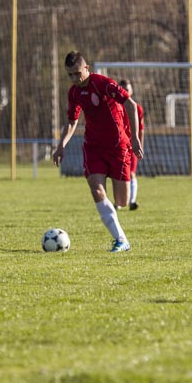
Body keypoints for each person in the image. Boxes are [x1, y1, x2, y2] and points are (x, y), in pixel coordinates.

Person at [53, 51, 143, 253]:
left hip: (118, 147)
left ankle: (116, 224)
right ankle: (121, 239)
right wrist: (61, 145)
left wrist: (135, 138)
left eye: (77, 73)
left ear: (86, 68)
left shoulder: (103, 83)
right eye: (70, 75)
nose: (74, 78)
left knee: (122, 201)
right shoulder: (74, 93)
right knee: (96, 189)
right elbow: (72, 122)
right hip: (93, 147)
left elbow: (131, 104)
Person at [119, 79, 145, 211]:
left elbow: (141, 129)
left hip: (132, 145)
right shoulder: (115, 106)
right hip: (118, 145)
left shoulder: (137, 108)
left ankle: (132, 201)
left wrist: (140, 144)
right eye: (122, 90)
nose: (125, 92)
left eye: (127, 90)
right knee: (119, 174)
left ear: (132, 91)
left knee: (132, 173)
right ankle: (119, 202)